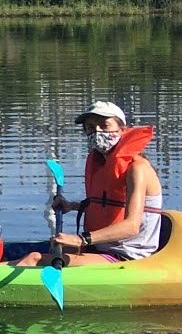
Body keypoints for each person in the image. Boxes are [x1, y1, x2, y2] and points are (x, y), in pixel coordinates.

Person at [12, 100, 164, 267]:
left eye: (104, 125)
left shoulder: (138, 168)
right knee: (14, 251)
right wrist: (73, 206)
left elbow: (132, 226)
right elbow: (108, 205)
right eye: (91, 127)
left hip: (127, 257)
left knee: (34, 259)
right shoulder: (102, 164)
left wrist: (81, 239)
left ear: (123, 130)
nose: (97, 132)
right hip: (99, 248)